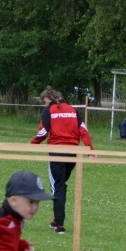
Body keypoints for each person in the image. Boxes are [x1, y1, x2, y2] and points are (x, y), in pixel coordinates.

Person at [30, 86, 94, 234]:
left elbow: (43, 131)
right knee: (61, 185)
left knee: (57, 186)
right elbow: (83, 130)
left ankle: (59, 224)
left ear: (47, 100)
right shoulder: (73, 110)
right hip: (73, 153)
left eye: (44, 102)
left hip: (57, 151)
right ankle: (56, 219)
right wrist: (90, 148)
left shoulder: (49, 110)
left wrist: (33, 145)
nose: (44, 105)